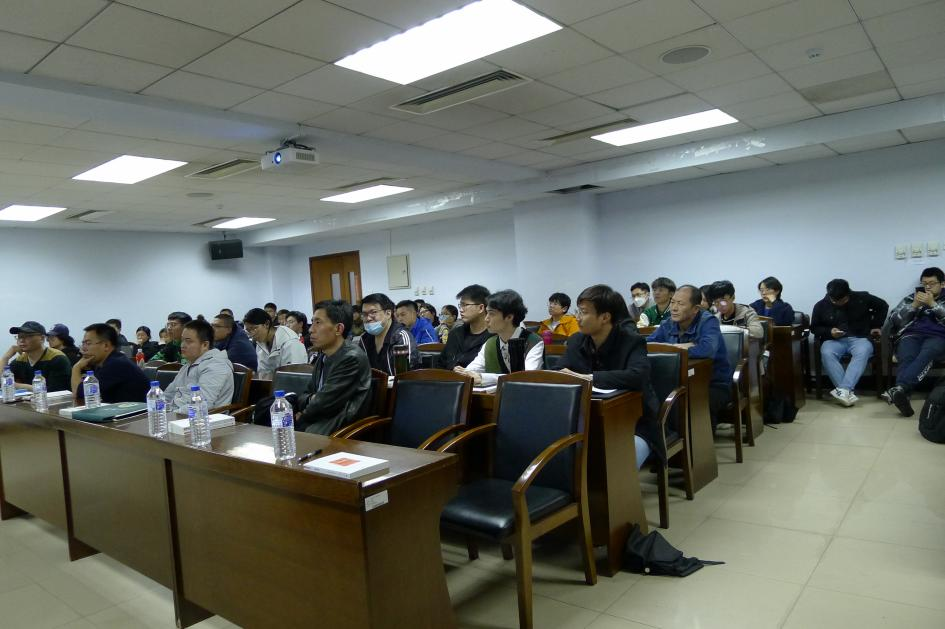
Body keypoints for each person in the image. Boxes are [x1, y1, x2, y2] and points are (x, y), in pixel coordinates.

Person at [555, 285, 661, 468]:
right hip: (588, 420)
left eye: (584, 312)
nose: (578, 318)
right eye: (578, 311)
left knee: (615, 465)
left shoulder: (631, 340)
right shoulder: (576, 341)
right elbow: (559, 371)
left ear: (605, 317)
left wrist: (589, 378)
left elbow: (638, 375)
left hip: (633, 422)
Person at [648, 285, 731, 429]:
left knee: (689, 403)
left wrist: (672, 349)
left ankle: (698, 440)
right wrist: (681, 347)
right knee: (650, 399)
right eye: (673, 302)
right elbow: (648, 345)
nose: (674, 308)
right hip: (678, 382)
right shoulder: (668, 323)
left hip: (712, 384)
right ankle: (665, 438)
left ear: (695, 309)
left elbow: (707, 349)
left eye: (680, 304)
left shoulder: (708, 321)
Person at [295, 300, 372, 434]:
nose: (311, 329)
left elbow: (324, 403)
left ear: (338, 329)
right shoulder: (323, 356)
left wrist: (303, 415)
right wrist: (311, 399)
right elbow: (304, 396)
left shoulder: (351, 358)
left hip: (341, 427)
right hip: (320, 420)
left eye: (318, 323)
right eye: (312, 322)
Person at [811, 279, 888, 407]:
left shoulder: (862, 298)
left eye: (842, 300)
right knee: (826, 352)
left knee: (863, 351)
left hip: (859, 338)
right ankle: (846, 392)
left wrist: (876, 325)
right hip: (833, 340)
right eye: (835, 301)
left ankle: (844, 390)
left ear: (848, 293)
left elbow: (883, 306)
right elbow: (814, 328)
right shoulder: (820, 305)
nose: (838, 303)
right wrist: (829, 331)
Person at [882, 267, 945, 416]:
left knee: (927, 353)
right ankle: (901, 393)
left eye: (932, 283)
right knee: (907, 356)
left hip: (938, 336)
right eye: (924, 283)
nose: (927, 287)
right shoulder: (912, 298)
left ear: (942, 284)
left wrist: (933, 304)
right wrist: (913, 306)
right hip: (911, 335)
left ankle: (901, 388)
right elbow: (893, 320)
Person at [456, 290, 544, 386]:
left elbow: (526, 377)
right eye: (486, 313)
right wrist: (464, 372)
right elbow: (473, 369)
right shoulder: (490, 343)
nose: (486, 319)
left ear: (509, 317)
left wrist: (484, 378)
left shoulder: (533, 342)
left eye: (491, 314)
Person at [163, 320, 234, 413]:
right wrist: (159, 410)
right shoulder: (188, 365)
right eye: (182, 340)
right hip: (179, 415)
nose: (182, 345)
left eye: (188, 341)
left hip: (204, 419)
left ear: (205, 345)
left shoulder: (216, 366)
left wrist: (172, 415)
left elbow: (202, 404)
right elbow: (168, 394)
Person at [72, 323, 150, 403]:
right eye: (83, 343)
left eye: (88, 343)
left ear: (106, 345)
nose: (83, 348)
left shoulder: (116, 364)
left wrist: (76, 367)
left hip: (139, 410)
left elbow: (80, 393)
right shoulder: (104, 362)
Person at [2, 321, 72, 392]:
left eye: (28, 336)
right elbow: (2, 381)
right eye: (19, 337)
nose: (21, 340)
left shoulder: (57, 358)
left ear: (42, 338)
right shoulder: (21, 359)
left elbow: (56, 391)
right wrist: (6, 357)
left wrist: (18, 386)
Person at [358, 293, 418, 375]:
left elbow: (405, 376)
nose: (368, 318)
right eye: (364, 314)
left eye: (373, 312)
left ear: (388, 313)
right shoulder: (364, 339)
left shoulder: (401, 337)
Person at [438, 284, 494, 369]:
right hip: (450, 377)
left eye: (465, 305)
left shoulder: (493, 337)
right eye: (460, 305)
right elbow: (441, 365)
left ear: (481, 308)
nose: (461, 310)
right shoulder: (455, 334)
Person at [242, 308, 308, 379]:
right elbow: (263, 373)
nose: (251, 334)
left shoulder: (290, 341)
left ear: (267, 324)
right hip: (273, 383)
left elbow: (293, 376)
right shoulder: (260, 341)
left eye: (254, 328)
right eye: (248, 331)